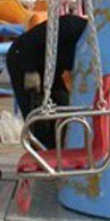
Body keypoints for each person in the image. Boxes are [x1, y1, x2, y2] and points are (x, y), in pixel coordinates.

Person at [6, 14, 88, 148]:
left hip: (50, 70)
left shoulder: (90, 44)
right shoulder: (71, 27)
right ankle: (42, 149)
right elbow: (29, 42)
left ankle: (59, 147)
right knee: (36, 110)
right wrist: (30, 71)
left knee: (63, 105)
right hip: (24, 59)